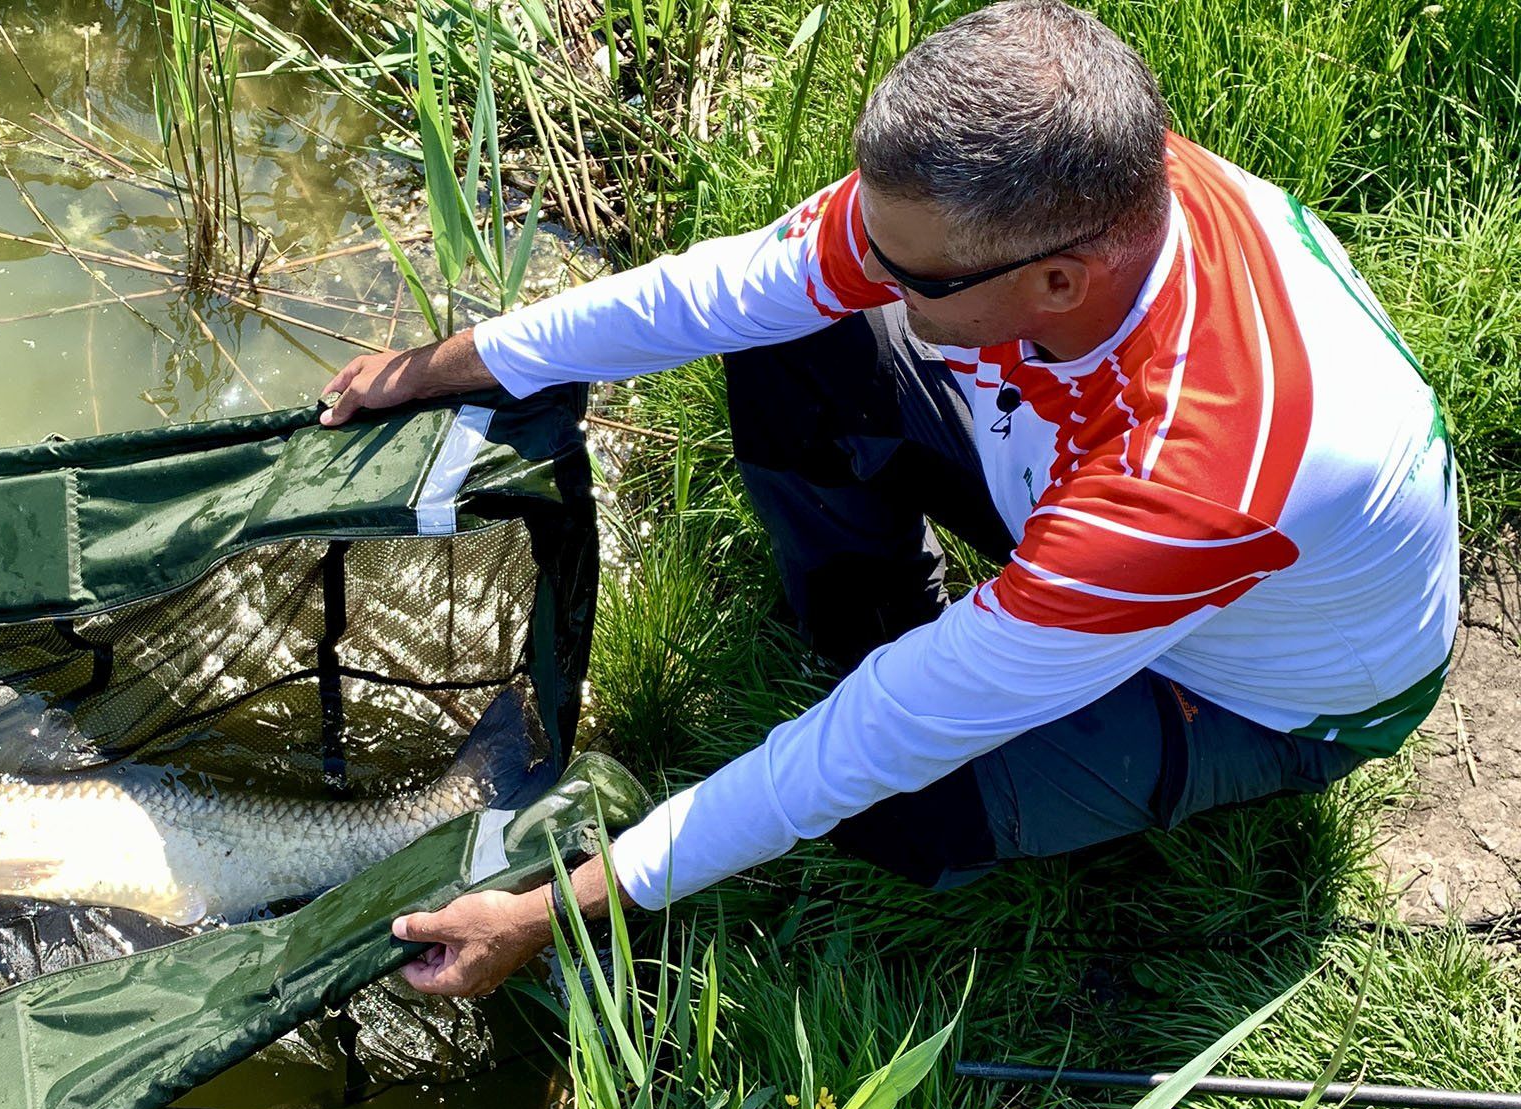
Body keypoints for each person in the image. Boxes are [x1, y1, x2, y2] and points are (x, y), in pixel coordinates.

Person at [318, 0, 1458, 997]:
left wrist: (543, 910)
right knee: (792, 337)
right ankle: (873, 616)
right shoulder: (1061, 192)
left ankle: (1036, 711)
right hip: (1088, 495)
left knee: (893, 803)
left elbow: (866, 744)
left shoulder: (1192, 480)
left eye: (909, 273)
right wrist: (457, 360)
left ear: (1057, 276)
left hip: (1268, 691)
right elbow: (728, 289)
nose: (868, 268)